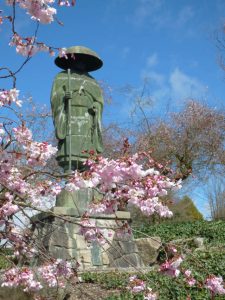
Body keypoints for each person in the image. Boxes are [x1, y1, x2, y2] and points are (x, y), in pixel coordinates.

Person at [51, 46, 104, 172]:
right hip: (69, 116)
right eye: (78, 59)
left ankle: (87, 178)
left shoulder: (92, 81)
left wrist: (96, 106)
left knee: (88, 158)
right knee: (70, 154)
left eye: (84, 60)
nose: (80, 62)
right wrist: (63, 96)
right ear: (72, 60)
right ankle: (69, 175)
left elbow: (99, 101)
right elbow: (55, 97)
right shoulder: (62, 76)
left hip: (88, 118)